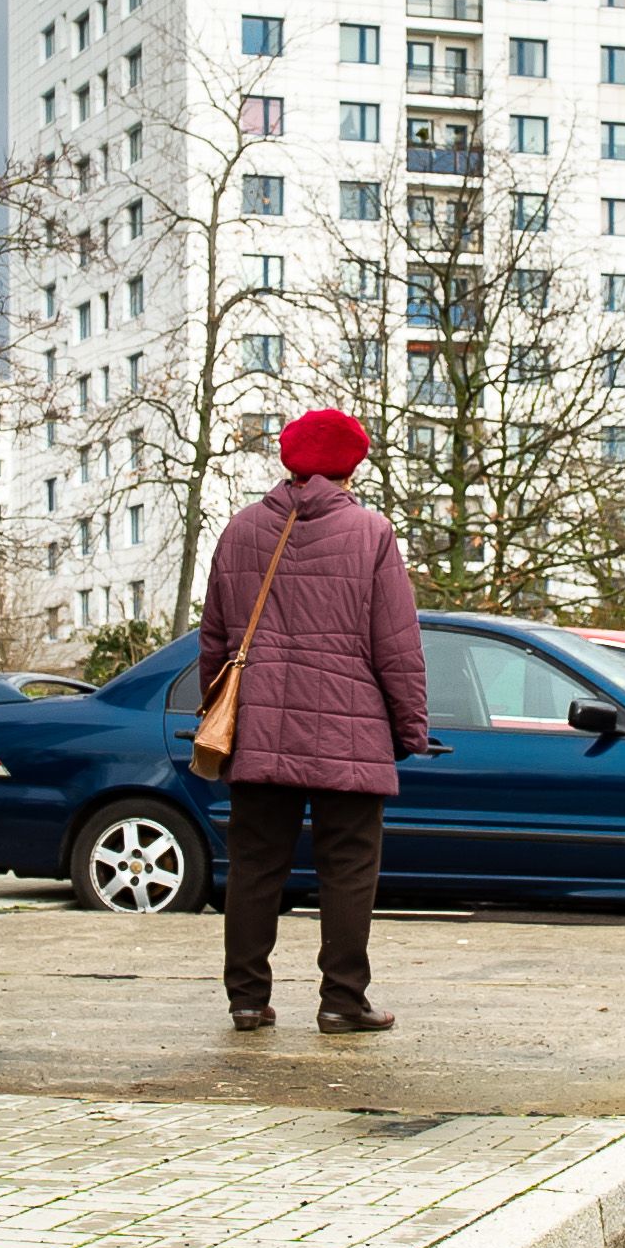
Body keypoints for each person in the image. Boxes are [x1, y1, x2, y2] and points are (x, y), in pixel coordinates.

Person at [200, 408, 424, 1034]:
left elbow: (214, 641)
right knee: (349, 865)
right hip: (350, 730)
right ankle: (341, 1001)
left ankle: (246, 1000)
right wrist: (409, 728)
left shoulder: (240, 530)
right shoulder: (371, 532)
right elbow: (397, 646)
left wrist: (215, 717)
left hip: (259, 729)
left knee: (253, 864)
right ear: (352, 465)